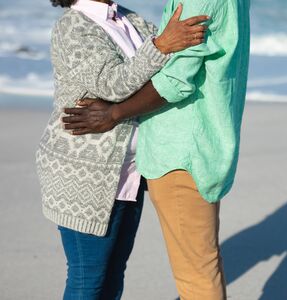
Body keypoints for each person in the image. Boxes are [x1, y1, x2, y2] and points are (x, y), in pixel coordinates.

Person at [62, 0, 250, 299]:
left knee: (196, 273)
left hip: (177, 149)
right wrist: (161, 45)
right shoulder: (75, 25)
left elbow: (175, 77)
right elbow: (118, 79)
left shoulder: (142, 15)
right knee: (95, 276)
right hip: (106, 168)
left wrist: (115, 113)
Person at [36, 0, 208, 299]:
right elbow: (112, 85)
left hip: (129, 171)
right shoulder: (73, 25)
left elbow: (165, 71)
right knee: (88, 278)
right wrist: (161, 45)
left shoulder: (128, 18)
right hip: (84, 171)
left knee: (114, 272)